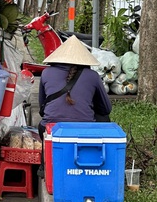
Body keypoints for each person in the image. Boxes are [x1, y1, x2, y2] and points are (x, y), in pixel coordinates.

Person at [37, 36, 112, 175]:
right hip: (85, 128)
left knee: (42, 124)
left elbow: (42, 107)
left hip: (51, 128)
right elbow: (106, 109)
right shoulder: (93, 76)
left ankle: (44, 166)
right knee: (104, 119)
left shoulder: (46, 73)